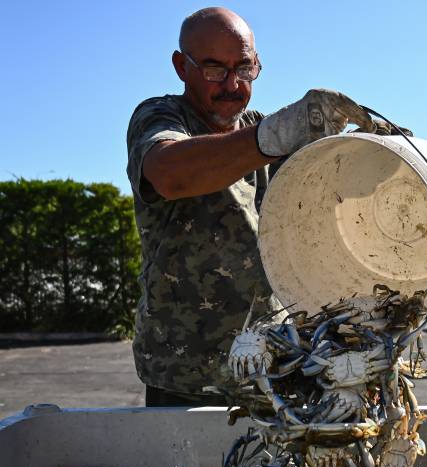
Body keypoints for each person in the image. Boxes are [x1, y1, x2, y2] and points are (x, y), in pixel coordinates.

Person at [126, 7, 380, 406]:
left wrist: (376, 158)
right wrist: (274, 136)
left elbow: (331, 195)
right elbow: (169, 174)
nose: (232, 84)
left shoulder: (259, 128)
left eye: (244, 69)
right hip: (187, 376)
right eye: (214, 70)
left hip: (274, 365)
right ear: (181, 66)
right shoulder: (161, 117)